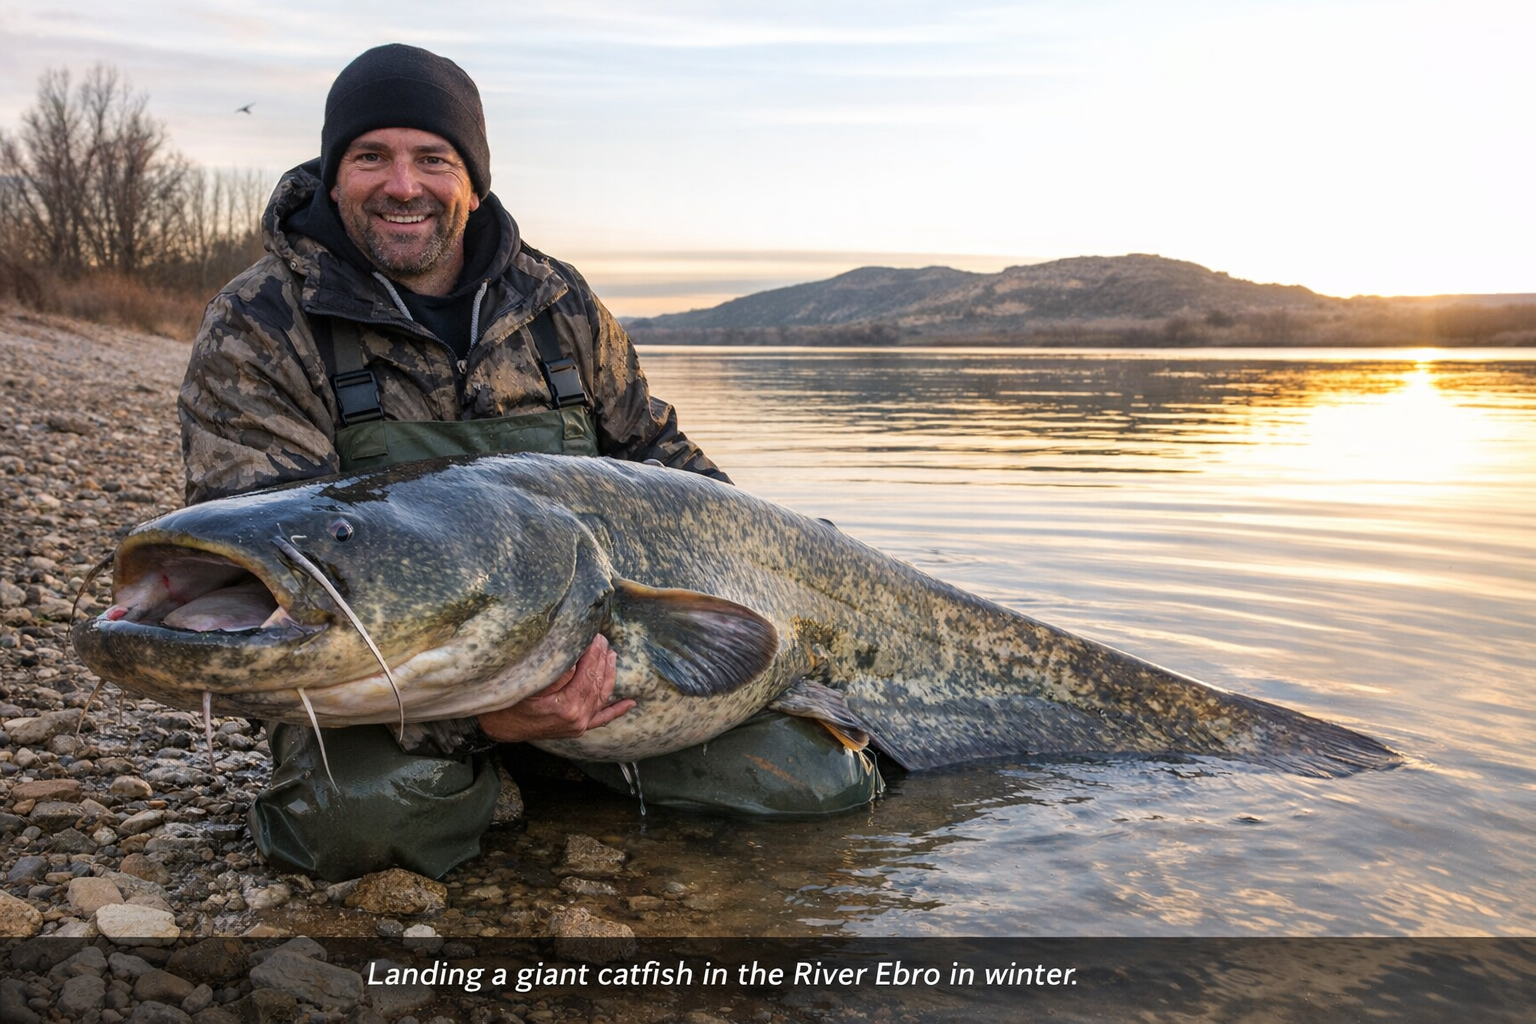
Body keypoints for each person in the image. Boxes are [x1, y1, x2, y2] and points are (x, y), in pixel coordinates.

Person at [179, 44, 882, 881]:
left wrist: (778, 568)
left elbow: (665, 462)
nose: (403, 184)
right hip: (386, 690)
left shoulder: (559, 303)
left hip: (604, 672)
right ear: (334, 178)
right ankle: (502, 780)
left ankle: (556, 794)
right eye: (372, 156)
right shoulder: (261, 324)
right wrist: (488, 719)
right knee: (355, 829)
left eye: (432, 159)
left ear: (471, 181)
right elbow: (277, 595)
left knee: (818, 786)